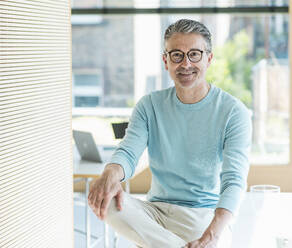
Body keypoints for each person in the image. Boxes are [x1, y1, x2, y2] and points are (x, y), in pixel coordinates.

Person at [88, 19, 252, 248]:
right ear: (166, 61)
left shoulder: (233, 112)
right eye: (177, 55)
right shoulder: (149, 105)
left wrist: (213, 233)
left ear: (209, 59)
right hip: (154, 211)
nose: (185, 64)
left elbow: (234, 179)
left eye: (194, 54)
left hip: (202, 214)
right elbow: (128, 151)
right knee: (109, 204)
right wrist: (110, 174)